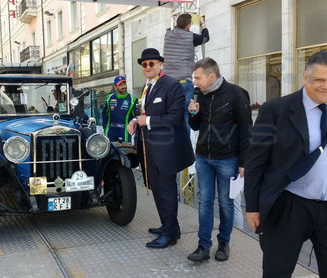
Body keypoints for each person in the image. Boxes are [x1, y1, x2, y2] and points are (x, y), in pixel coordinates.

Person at [245, 50, 327, 277]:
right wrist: (252, 206)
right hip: (289, 206)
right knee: (277, 271)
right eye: (319, 79)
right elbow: (255, 161)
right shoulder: (275, 110)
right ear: (305, 77)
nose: (326, 86)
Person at [127, 48, 194, 248]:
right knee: (157, 189)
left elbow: (175, 117)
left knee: (165, 191)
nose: (147, 67)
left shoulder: (171, 85)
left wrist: (145, 120)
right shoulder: (148, 86)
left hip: (165, 150)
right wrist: (134, 120)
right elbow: (147, 113)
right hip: (149, 148)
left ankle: (169, 234)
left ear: (160, 64)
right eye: (144, 64)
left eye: (151, 63)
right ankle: (170, 226)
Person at [187, 58, 252, 262]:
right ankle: (203, 246)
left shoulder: (236, 94)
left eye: (198, 78)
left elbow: (246, 129)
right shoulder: (199, 95)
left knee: (225, 202)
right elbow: (196, 126)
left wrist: (244, 162)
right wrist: (193, 114)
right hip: (203, 158)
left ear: (211, 76)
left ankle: (224, 243)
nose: (195, 82)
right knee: (204, 202)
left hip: (228, 159)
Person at [163, 13, 210, 130]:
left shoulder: (167, 35)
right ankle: (184, 144)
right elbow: (205, 38)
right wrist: (202, 24)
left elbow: (177, 33)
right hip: (184, 81)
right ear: (189, 26)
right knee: (186, 113)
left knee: (170, 112)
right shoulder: (191, 37)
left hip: (168, 82)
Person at [102, 76, 138, 142]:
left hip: (125, 133)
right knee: (109, 151)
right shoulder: (109, 98)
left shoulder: (133, 100)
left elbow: (136, 117)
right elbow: (104, 114)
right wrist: (105, 128)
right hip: (110, 132)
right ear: (115, 87)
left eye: (124, 83)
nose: (123, 86)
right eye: (120, 85)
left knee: (125, 151)